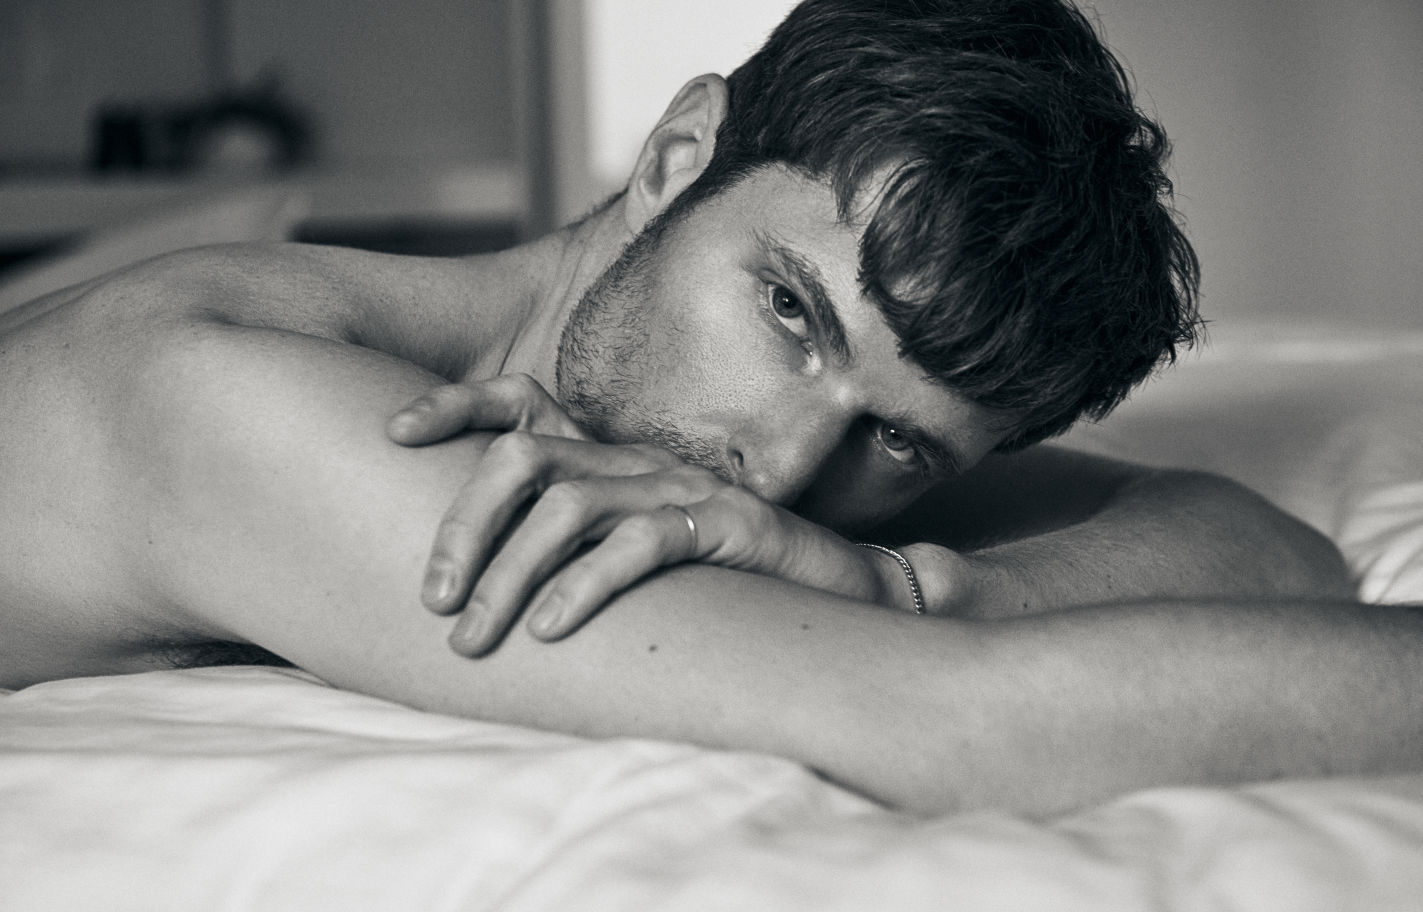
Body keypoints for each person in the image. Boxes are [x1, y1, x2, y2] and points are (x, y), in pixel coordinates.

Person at [1, 0, 1416, 817]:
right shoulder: (247, 398)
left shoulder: (798, 448)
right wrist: (922, 637)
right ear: (679, 157)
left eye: (899, 437)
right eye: (791, 310)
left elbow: (1265, 546)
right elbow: (955, 723)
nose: (781, 467)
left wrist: (910, 585)